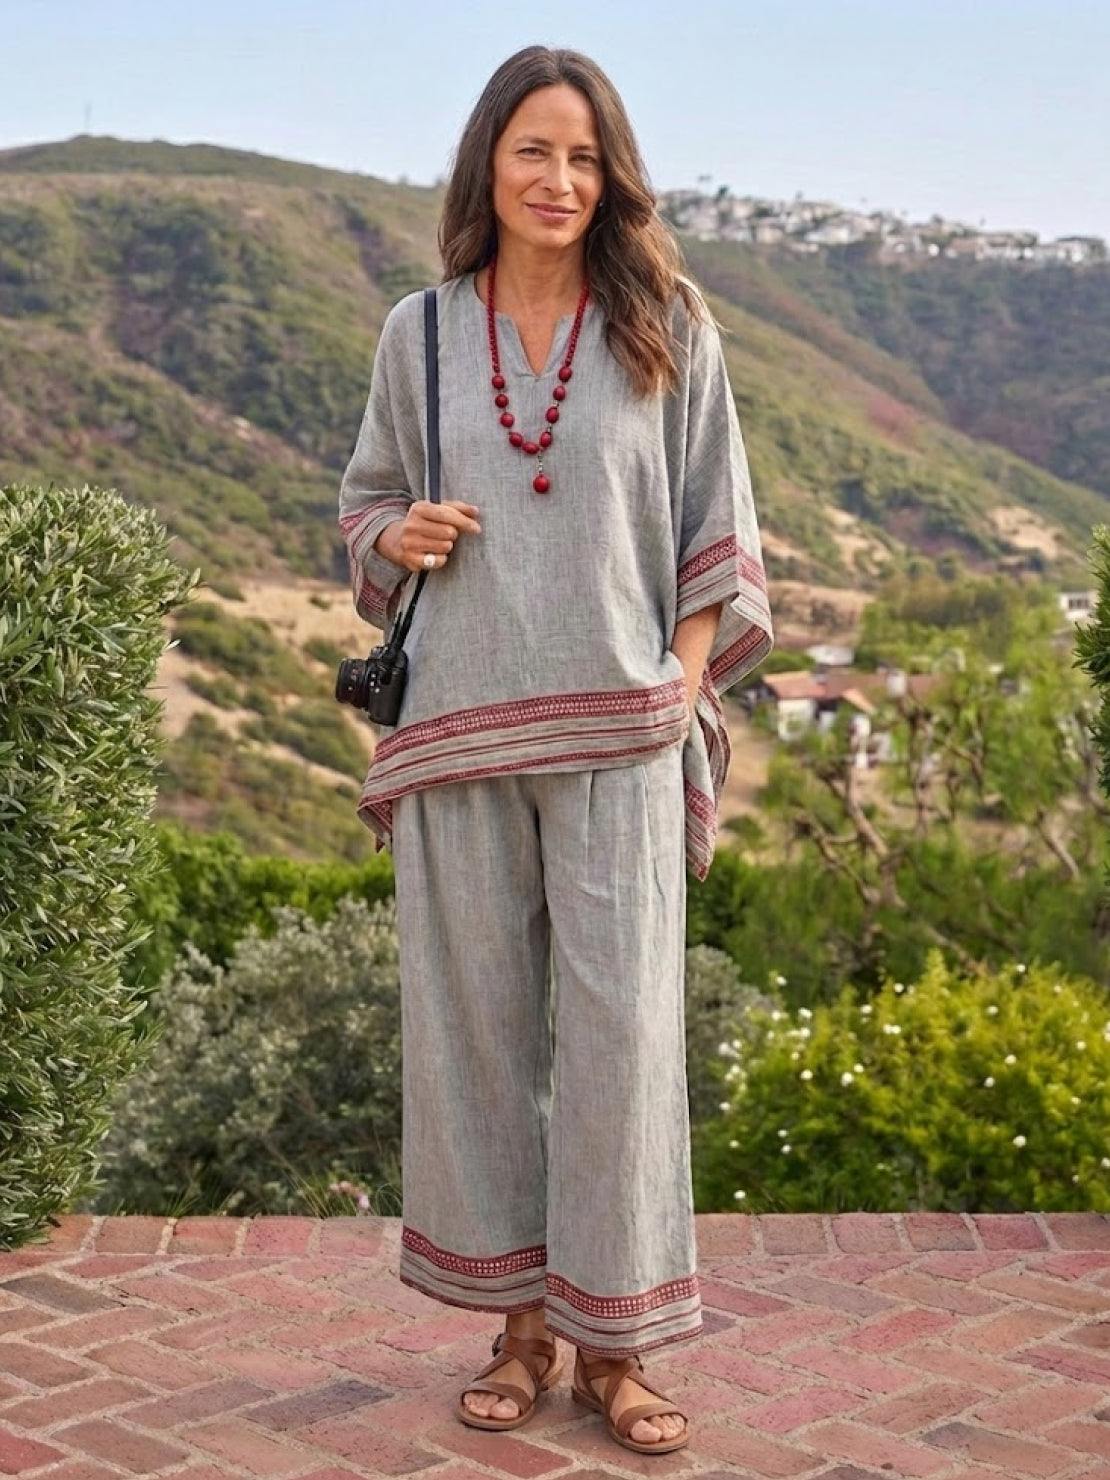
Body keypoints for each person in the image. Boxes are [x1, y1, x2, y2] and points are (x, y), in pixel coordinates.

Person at [337, 44, 773, 1458]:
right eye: (534, 150)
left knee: (620, 1044)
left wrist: (675, 695)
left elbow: (717, 532)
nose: (559, 179)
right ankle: (520, 1334)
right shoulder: (418, 333)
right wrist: (395, 532)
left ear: (612, 178)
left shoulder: (669, 326)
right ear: (488, 164)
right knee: (477, 1041)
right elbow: (364, 508)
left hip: (619, 736)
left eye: (585, 157)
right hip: (457, 732)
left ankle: (617, 1346)